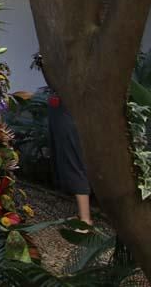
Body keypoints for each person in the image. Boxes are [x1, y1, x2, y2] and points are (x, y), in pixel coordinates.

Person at [35, 53, 92, 226]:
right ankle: (81, 215)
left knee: (74, 161)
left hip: (68, 115)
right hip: (59, 113)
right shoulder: (58, 81)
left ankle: (85, 219)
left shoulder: (76, 71)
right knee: (67, 161)